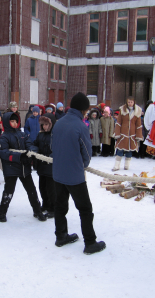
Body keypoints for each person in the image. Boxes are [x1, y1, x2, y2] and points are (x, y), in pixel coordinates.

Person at [51, 92, 106, 255]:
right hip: (74, 176)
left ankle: (60, 236)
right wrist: (82, 165)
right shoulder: (81, 126)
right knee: (85, 208)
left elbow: (53, 148)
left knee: (60, 207)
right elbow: (87, 153)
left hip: (58, 174)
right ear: (83, 110)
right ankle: (90, 242)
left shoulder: (59, 123)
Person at [0, 112, 46, 222]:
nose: (14, 123)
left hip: (25, 168)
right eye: (12, 121)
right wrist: (19, 156)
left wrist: (31, 152)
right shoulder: (4, 137)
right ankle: (2, 212)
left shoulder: (22, 134)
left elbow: (30, 144)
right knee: (8, 191)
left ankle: (37, 211)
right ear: (7, 123)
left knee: (31, 190)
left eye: (16, 121)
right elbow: (3, 152)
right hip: (11, 168)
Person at [34, 113, 56, 218]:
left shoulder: (55, 135)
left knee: (51, 189)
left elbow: (58, 149)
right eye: (43, 125)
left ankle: (53, 208)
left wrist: (50, 157)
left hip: (51, 166)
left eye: (47, 124)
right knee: (42, 187)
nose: (44, 127)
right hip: (41, 166)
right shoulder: (40, 134)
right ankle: (45, 204)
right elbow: (35, 144)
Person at [112, 96, 143, 171]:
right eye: (129, 102)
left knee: (129, 151)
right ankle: (116, 166)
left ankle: (126, 165)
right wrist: (117, 133)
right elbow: (119, 122)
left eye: (131, 102)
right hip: (123, 134)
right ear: (127, 102)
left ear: (134, 102)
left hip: (132, 135)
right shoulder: (122, 110)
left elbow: (138, 125)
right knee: (119, 150)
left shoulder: (137, 111)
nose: (130, 103)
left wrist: (138, 135)